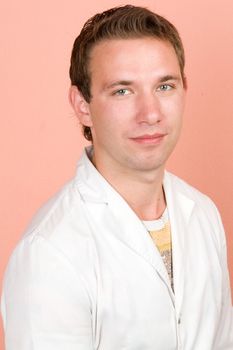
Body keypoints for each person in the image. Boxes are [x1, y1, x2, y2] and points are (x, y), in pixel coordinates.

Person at [1, 5, 233, 350]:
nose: (151, 113)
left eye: (164, 86)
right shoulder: (49, 253)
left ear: (185, 88)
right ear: (82, 104)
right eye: (123, 91)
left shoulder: (203, 214)